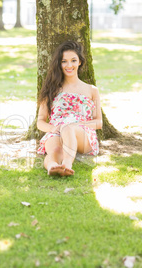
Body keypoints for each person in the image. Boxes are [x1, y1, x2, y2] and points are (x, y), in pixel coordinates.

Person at [36, 41, 102, 176]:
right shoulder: (51, 89)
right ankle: (52, 167)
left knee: (68, 128)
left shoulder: (92, 90)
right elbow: (40, 121)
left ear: (80, 62)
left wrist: (75, 125)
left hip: (82, 133)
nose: (69, 65)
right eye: (64, 61)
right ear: (59, 64)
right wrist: (53, 129)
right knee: (54, 150)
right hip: (57, 130)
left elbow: (98, 122)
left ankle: (67, 164)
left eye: (73, 60)